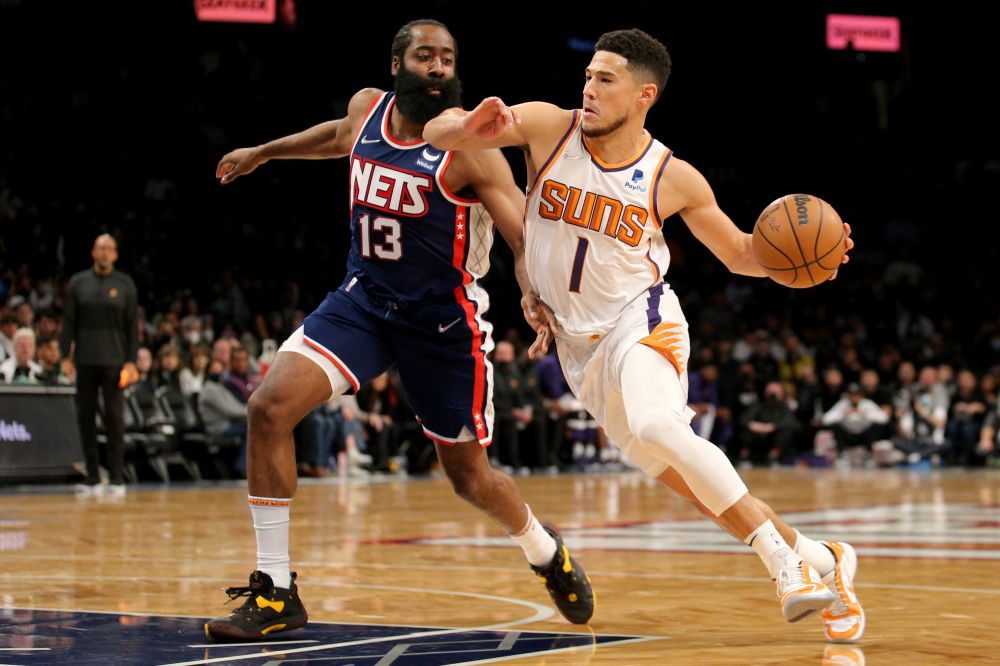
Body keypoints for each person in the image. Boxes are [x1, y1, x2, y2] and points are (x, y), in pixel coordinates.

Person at [425, 28, 863, 642]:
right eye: (588, 76)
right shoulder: (551, 127)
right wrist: (468, 124)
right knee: (698, 485)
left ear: (643, 95)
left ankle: (784, 567)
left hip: (643, 319)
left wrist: (808, 265)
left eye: (606, 80)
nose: (589, 89)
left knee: (663, 427)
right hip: (582, 352)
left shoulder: (671, 175)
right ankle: (824, 557)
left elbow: (740, 252)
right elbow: (437, 134)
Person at [204, 19, 592, 642]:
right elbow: (336, 137)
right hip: (362, 302)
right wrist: (265, 152)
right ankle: (276, 590)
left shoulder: (471, 147)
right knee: (269, 408)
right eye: (425, 56)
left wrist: (533, 292)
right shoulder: (367, 111)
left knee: (469, 478)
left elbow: (522, 232)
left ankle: (545, 550)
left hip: (441, 323)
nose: (438, 67)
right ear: (396, 64)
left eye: (447, 58)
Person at [60, 234, 138, 498]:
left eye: (109, 249)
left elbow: (132, 328)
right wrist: (64, 357)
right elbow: (68, 322)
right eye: (100, 248)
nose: (105, 253)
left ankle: (116, 478)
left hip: (116, 363)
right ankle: (93, 476)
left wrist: (131, 360)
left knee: (116, 420)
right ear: (93, 252)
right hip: (85, 360)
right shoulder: (78, 283)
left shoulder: (125, 284)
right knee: (86, 418)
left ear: (115, 254)